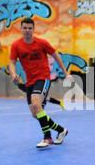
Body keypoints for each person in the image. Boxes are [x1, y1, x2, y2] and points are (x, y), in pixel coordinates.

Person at [9, 17, 73, 148]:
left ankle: (47, 137)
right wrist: (13, 74)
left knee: (37, 105)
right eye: (25, 28)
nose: (27, 30)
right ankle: (61, 130)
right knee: (36, 114)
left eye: (30, 28)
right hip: (29, 82)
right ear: (21, 29)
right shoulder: (16, 45)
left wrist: (66, 73)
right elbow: (12, 62)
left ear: (33, 29)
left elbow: (56, 56)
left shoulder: (42, 43)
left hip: (43, 78)